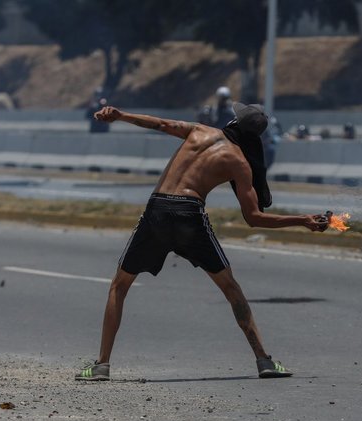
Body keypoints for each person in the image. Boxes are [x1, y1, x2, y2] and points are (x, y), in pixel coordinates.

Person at [75, 103, 325, 382]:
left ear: (233, 121)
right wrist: (302, 219)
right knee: (231, 288)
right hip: (189, 215)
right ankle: (263, 361)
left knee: (119, 286)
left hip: (157, 211)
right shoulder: (239, 162)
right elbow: (254, 218)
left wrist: (121, 116)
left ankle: (101, 365)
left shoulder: (199, 131)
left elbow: (158, 123)